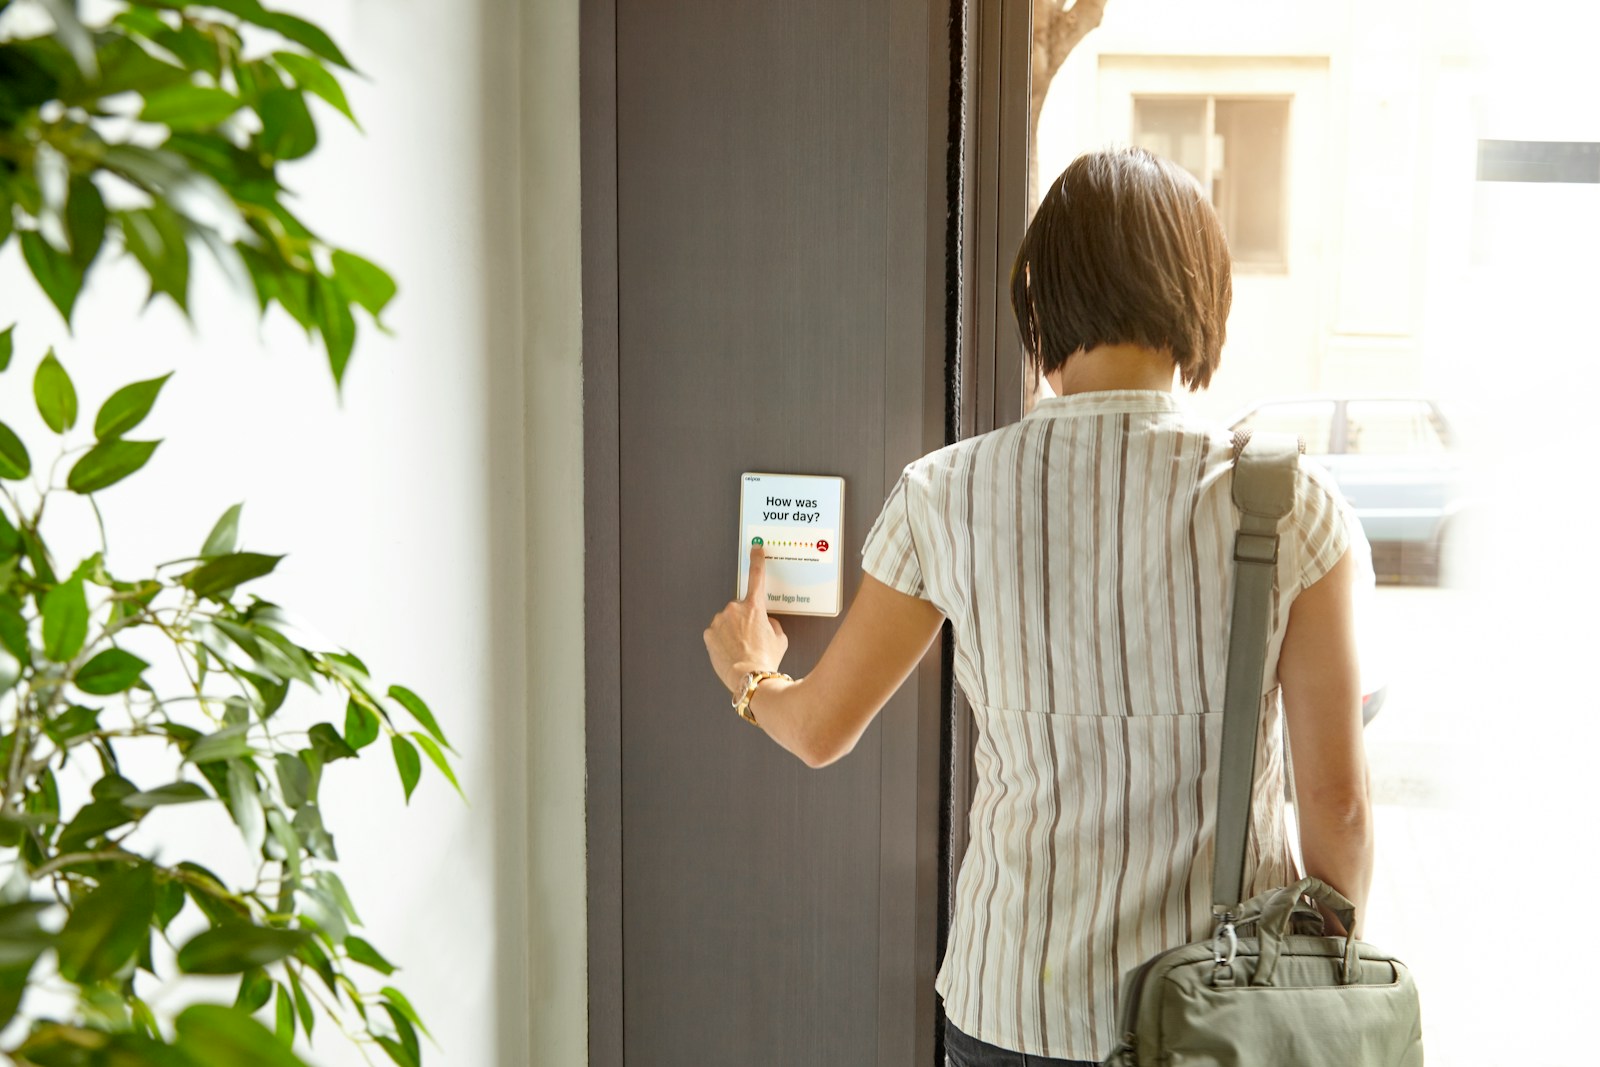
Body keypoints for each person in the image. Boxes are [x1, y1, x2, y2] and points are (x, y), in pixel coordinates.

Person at [703, 147, 1374, 1067]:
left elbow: (820, 729)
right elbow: (1336, 804)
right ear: (1200, 296)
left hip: (1011, 1004)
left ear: (1039, 300)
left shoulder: (946, 494)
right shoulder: (1286, 501)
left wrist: (751, 673)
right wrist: (1320, 994)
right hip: (1224, 1013)